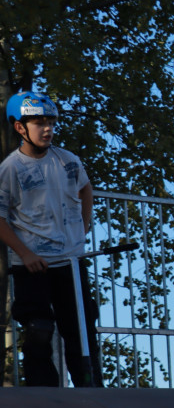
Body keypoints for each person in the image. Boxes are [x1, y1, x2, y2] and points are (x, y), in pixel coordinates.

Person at [0, 91, 100, 387]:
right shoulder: (10, 169)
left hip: (70, 262)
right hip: (33, 265)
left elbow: (86, 189)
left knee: (81, 331)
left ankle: (92, 394)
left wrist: (83, 228)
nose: (48, 129)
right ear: (20, 127)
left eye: (51, 122)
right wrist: (25, 253)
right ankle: (44, 399)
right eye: (39, 123)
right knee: (38, 330)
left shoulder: (67, 160)